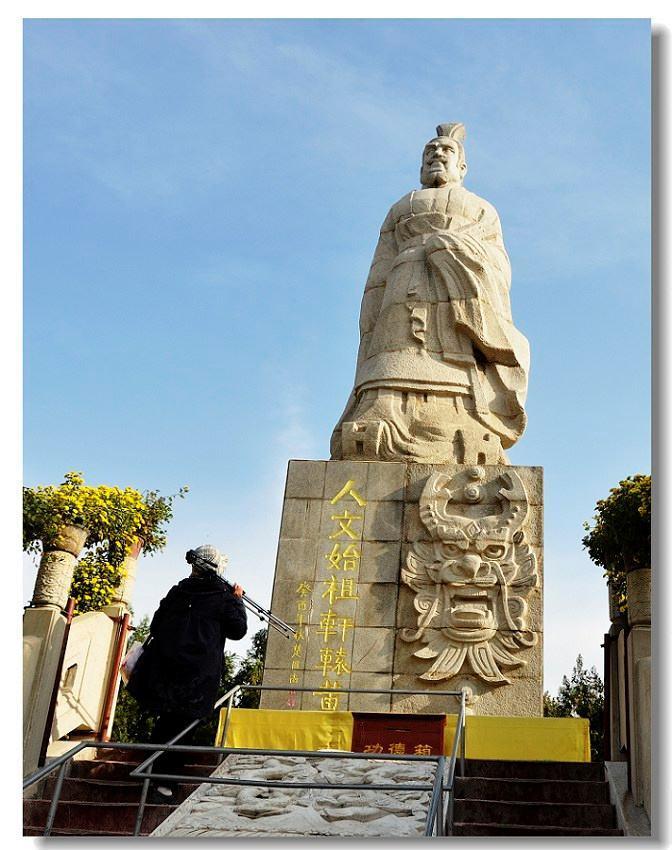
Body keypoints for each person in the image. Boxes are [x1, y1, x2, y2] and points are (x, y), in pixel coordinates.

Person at [331, 122, 530, 466]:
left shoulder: (482, 208)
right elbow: (380, 266)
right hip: (403, 285)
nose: (437, 154)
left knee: (457, 362)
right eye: (429, 152)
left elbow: (499, 263)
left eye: (446, 150)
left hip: (458, 294)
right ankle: (383, 409)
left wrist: (457, 250)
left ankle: (465, 419)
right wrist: (372, 316)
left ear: (462, 168)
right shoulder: (401, 207)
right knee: (394, 351)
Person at [127, 545, 247, 803]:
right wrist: (237, 600)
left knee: (166, 721)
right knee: (183, 728)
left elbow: (157, 623)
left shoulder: (178, 591)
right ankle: (164, 783)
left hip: (166, 670)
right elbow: (237, 630)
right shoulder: (224, 596)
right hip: (197, 676)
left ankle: (151, 773)